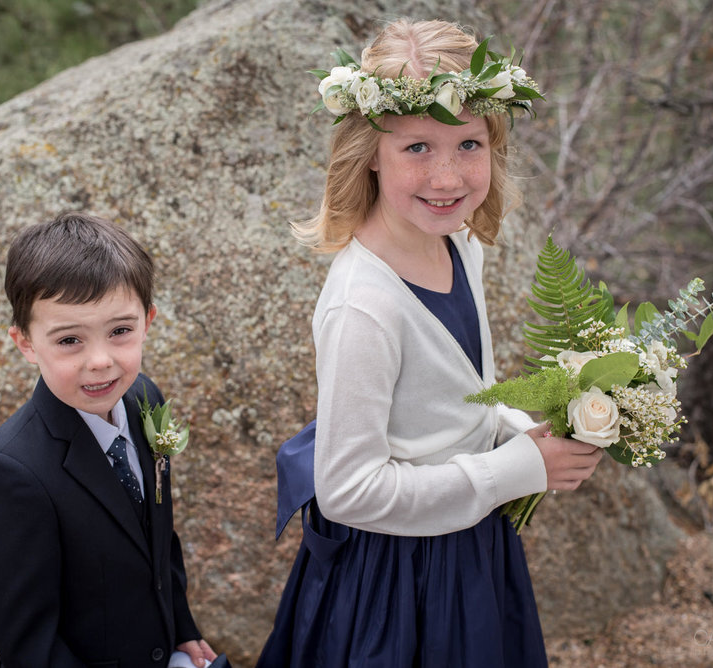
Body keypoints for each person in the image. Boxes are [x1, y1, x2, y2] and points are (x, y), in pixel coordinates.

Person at [257, 19, 604, 667]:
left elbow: (465, 389)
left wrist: (524, 431)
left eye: (468, 144)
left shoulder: (458, 241)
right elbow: (349, 492)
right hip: (394, 577)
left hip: (469, 540)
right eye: (417, 147)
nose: (447, 177)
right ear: (369, 153)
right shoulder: (365, 304)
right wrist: (517, 471)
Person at [0, 212, 222, 667]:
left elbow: (158, 539)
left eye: (120, 331)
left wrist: (180, 626)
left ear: (148, 320)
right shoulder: (10, 471)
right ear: (25, 342)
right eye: (70, 340)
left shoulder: (145, 397)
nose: (101, 361)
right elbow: (26, 641)